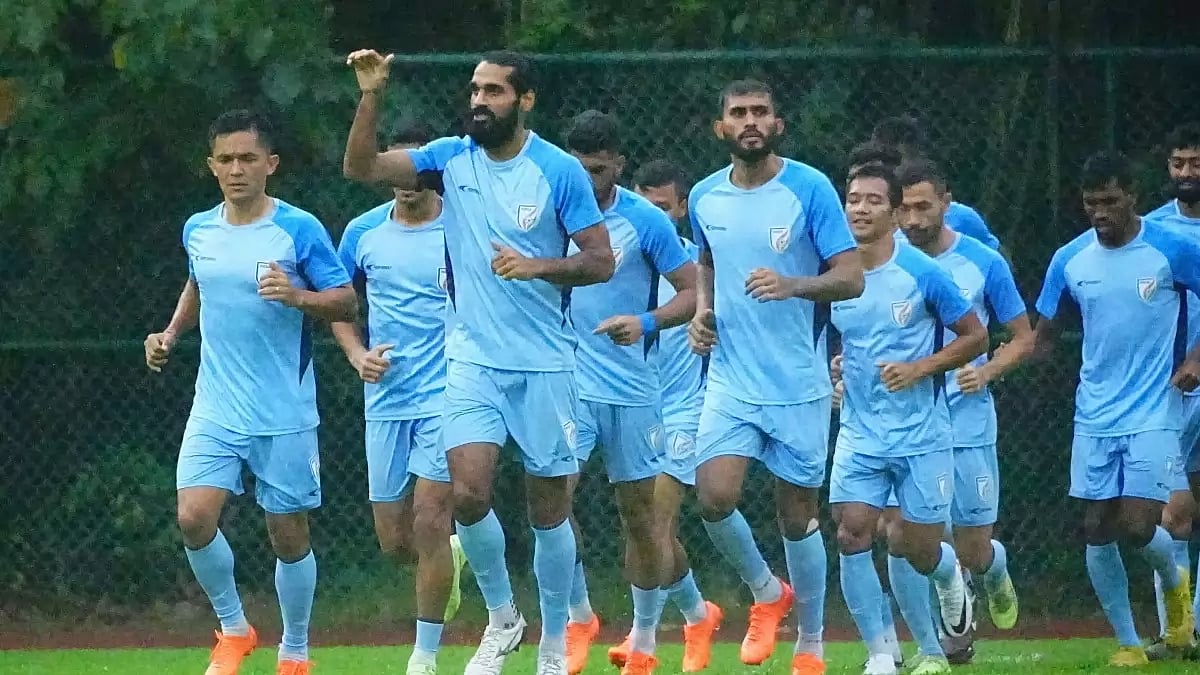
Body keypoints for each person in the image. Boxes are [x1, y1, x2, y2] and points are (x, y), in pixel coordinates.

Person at [342, 49, 613, 675]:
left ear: (525, 100)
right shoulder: (450, 157)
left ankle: (553, 644)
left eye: (493, 91)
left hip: (544, 362)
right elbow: (360, 167)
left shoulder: (557, 171)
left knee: (549, 509)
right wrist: (371, 94)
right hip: (471, 361)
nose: (479, 101)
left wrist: (539, 265)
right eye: (474, 90)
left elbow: (600, 260)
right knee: (466, 495)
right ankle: (502, 617)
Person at [144, 109, 357, 675]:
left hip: (282, 408)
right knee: (193, 518)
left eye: (248, 158)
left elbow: (345, 301)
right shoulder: (198, 228)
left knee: (287, 534)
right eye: (226, 159)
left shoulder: (299, 229)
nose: (237, 169)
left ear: (271, 164)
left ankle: (295, 650)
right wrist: (168, 334)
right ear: (211, 167)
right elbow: (198, 283)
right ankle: (235, 629)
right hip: (215, 405)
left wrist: (297, 297)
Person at [686, 78, 865, 675]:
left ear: (778, 124)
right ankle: (767, 592)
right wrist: (701, 312)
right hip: (731, 379)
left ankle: (810, 643)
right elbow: (707, 262)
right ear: (721, 128)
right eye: (738, 113)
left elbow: (851, 277)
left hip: (798, 382)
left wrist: (793, 284)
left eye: (761, 111)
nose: (750, 120)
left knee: (797, 517)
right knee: (713, 497)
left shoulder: (809, 188)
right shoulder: (705, 197)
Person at [1032, 150, 1199, 666]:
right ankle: (1128, 643)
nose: (1099, 211)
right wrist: (1005, 367)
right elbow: (1042, 335)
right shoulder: (1069, 259)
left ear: (1131, 196)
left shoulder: (1173, 248)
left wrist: (1195, 358)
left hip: (1156, 409)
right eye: (1090, 203)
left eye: (1109, 200)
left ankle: (1176, 594)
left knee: (1138, 523)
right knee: (1096, 527)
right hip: (1094, 414)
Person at [556, 110, 700, 675]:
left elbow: (691, 293)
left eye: (597, 169)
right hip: (567, 385)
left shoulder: (645, 221)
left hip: (634, 388)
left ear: (618, 163)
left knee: (641, 519)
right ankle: (576, 617)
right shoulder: (550, 216)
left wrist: (647, 322)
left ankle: (642, 642)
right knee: (552, 502)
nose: (587, 180)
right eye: (578, 168)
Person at [830, 162, 986, 675]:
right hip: (859, 431)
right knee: (852, 531)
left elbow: (975, 337)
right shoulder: (834, 271)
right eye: (854, 198)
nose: (860, 208)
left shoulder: (923, 273)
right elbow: (824, 334)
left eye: (874, 200)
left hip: (921, 434)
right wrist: (832, 368)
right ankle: (880, 653)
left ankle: (949, 578)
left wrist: (921, 368)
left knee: (914, 547)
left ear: (894, 214)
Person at [332, 120, 469, 675]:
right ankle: (451, 562)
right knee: (395, 540)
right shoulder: (362, 233)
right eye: (399, 168)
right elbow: (339, 304)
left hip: (451, 395)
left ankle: (425, 656)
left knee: (431, 519)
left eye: (419, 170)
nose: (408, 180)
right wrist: (356, 354)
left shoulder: (463, 229)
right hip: (387, 400)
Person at [894, 158, 1030, 631]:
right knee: (908, 534)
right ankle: (938, 636)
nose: (913, 219)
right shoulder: (881, 258)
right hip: (905, 419)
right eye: (905, 209)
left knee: (971, 547)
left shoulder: (983, 261)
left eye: (923, 207)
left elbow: (1023, 335)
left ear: (946, 204)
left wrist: (988, 371)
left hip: (967, 417)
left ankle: (993, 569)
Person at [627, 160, 725, 674]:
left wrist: (707, 329)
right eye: (647, 208)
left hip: (688, 412)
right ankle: (696, 613)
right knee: (646, 527)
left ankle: (641, 644)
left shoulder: (699, 271)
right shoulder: (618, 262)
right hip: (637, 409)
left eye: (664, 208)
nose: (656, 219)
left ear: (681, 208)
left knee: (655, 525)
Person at [1144, 122, 1200, 661]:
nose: (1186, 173)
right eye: (1178, 163)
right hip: (1171, 390)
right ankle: (1176, 631)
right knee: (1172, 513)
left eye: (1195, 163)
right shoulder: (1154, 230)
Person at [870, 116, 1002, 251]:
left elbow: (994, 262)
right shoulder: (865, 222)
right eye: (885, 165)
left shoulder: (961, 218)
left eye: (897, 164)